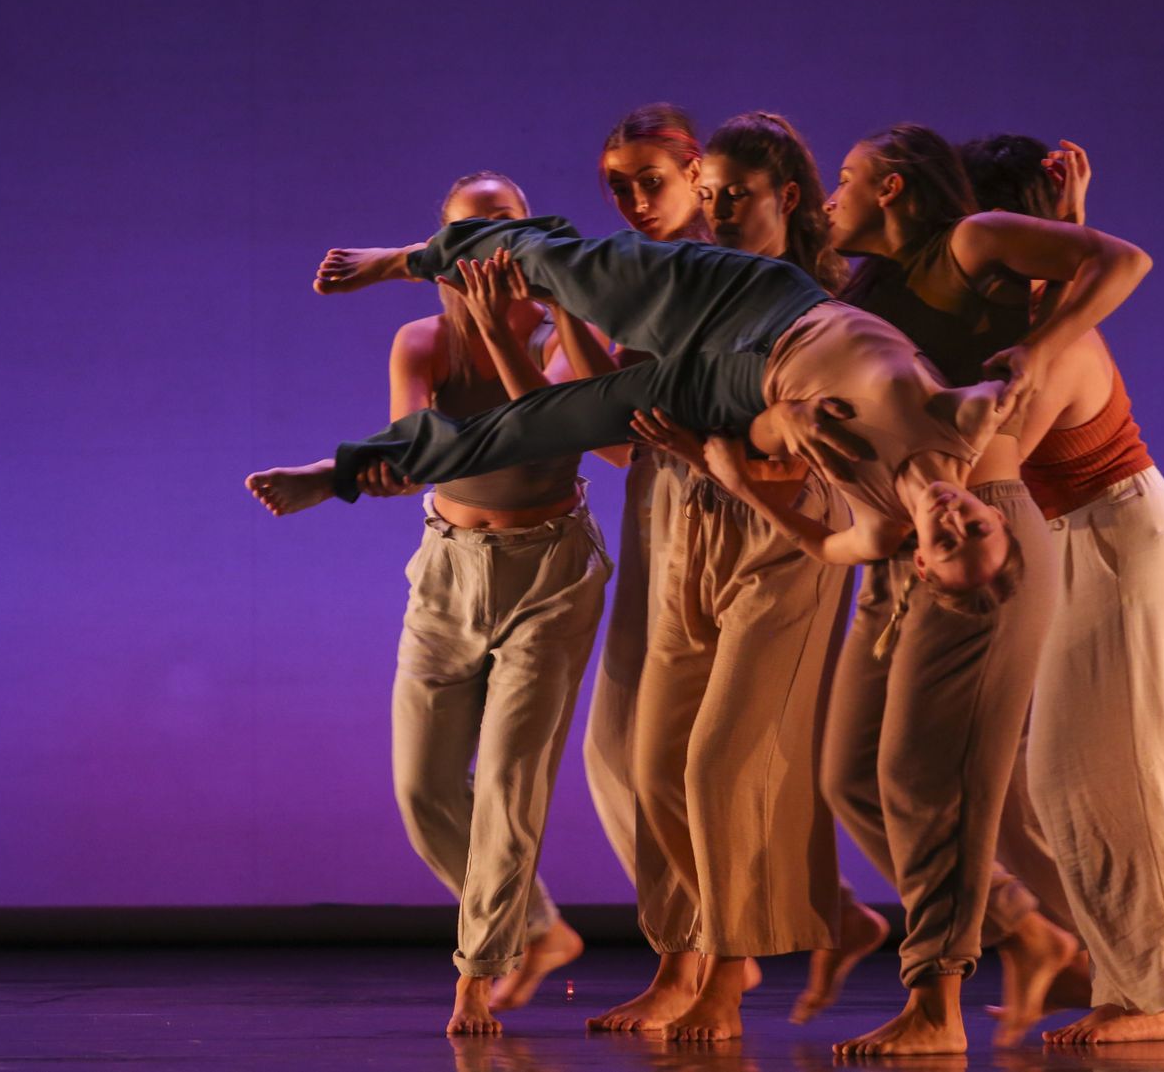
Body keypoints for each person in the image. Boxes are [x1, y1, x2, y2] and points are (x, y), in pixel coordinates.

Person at [705, 122, 1151, 1056]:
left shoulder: (971, 240)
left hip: (975, 521)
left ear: (897, 186)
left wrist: (1045, 337)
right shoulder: (864, 290)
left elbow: (1119, 260)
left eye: (852, 175)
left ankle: (938, 1001)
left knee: (933, 773)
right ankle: (1026, 932)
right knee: (851, 775)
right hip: (892, 543)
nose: (834, 192)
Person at [245, 211, 1040, 597]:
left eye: (950, 539)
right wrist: (1036, 341)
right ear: (998, 515)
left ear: (926, 560)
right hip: (764, 307)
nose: (954, 516)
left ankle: (343, 470)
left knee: (531, 430)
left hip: (732, 391)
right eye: (978, 524)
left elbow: (821, 547)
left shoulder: (875, 531)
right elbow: (1043, 343)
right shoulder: (967, 425)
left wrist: (723, 468)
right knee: (575, 270)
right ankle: (415, 257)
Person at [585, 111, 864, 1042]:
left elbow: (810, 453)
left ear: (787, 197)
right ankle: (696, 945)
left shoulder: (823, 302)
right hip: (687, 521)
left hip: (783, 536)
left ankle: (723, 971)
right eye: (708, 196)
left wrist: (714, 446)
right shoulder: (688, 290)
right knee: (649, 759)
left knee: (720, 763)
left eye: (731, 195)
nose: (715, 211)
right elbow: (617, 424)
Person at [334, 172, 612, 1036]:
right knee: (423, 791)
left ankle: (478, 972)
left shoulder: (572, 327)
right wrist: (378, 470)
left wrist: (500, 331)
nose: (486, 244)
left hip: (550, 570)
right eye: (467, 229)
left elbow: (559, 424)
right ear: (441, 245)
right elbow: (413, 442)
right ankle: (538, 927)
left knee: (506, 782)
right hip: (449, 568)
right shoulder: (422, 337)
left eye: (502, 227)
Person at [961, 133, 1164, 1045]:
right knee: (1051, 777)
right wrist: (1069, 224)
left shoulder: (1046, 344)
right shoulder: (1041, 317)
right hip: (1088, 544)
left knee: (1106, 777)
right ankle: (1105, 961)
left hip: (1120, 546)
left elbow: (988, 469)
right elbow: (1068, 275)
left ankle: (1144, 996)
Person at [580, 104, 707, 899]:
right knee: (619, 748)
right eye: (618, 187)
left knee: (668, 750)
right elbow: (615, 437)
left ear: (698, 175)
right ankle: (694, 934)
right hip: (652, 497)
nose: (633, 202)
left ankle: (700, 946)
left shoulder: (723, 274)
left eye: (650, 182)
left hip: (716, 503)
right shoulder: (630, 276)